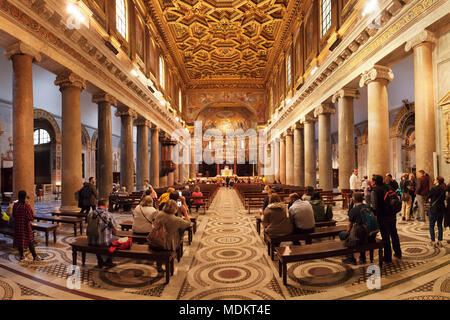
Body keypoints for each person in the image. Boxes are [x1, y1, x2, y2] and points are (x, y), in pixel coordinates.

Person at [371, 174, 402, 262]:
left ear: (374, 182)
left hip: (383, 216)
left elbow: (375, 206)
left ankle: (388, 257)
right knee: (394, 234)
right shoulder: (389, 187)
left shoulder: (375, 190)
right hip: (392, 214)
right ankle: (398, 253)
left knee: (385, 237)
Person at [340, 192, 374, 265]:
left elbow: (348, 228)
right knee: (361, 232)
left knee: (344, 235)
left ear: (354, 200)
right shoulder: (368, 207)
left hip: (359, 236)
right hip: (370, 234)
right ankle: (362, 257)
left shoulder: (354, 210)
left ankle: (351, 258)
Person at [86, 198, 118, 269]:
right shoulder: (108, 214)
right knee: (117, 241)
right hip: (103, 242)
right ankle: (109, 261)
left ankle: (100, 261)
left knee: (97, 238)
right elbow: (115, 230)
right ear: (106, 205)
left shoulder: (90, 213)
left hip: (90, 240)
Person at [13, 191, 41, 261]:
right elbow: (31, 217)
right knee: (30, 241)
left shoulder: (15, 205)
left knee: (20, 241)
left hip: (18, 226)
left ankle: (22, 256)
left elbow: (13, 215)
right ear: (25, 196)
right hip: (25, 226)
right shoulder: (26, 205)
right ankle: (35, 256)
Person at [427, 177, 446, 248]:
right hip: (441, 209)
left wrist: (430, 200)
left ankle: (433, 242)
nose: (434, 180)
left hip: (434, 210)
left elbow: (428, 197)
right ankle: (440, 241)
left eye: (435, 179)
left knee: (431, 226)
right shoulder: (443, 189)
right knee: (440, 225)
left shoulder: (433, 189)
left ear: (437, 181)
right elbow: (443, 198)